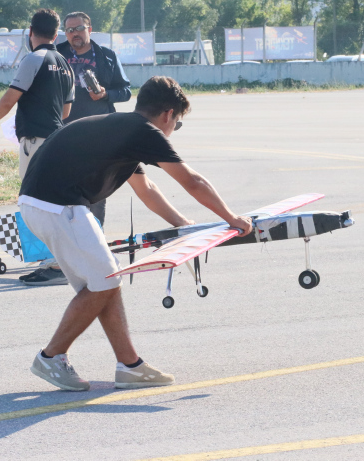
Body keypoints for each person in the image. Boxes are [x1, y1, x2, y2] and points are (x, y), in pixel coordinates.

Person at [19, 76, 254, 391]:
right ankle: (51, 356)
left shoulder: (121, 130)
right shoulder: (144, 131)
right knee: (105, 282)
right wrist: (232, 218)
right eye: (176, 124)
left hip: (43, 204)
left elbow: (147, 189)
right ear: (168, 115)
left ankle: (130, 366)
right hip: (58, 206)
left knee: (105, 283)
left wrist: (181, 224)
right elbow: (192, 181)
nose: (172, 130)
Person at [19, 11, 133, 286]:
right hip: (64, 136)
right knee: (60, 198)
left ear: (90, 29)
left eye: (79, 28)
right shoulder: (55, 54)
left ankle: (95, 253)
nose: (74, 34)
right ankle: (58, 260)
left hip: (99, 135)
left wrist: (105, 94)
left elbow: (126, 91)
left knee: (95, 195)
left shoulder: (107, 56)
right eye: (69, 30)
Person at [0, 8, 75, 178]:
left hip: (34, 141)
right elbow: (65, 112)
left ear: (30, 31)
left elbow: (8, 101)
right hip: (56, 139)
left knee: (31, 191)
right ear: (55, 36)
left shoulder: (33, 58)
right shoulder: (67, 65)